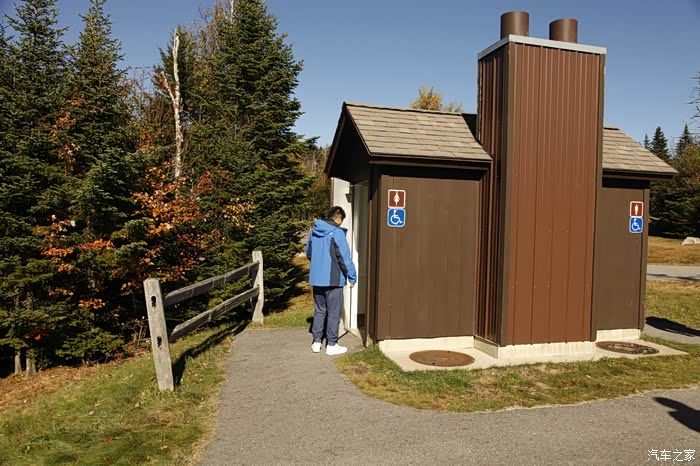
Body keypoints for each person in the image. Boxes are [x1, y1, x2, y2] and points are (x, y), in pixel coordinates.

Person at [305, 206, 357, 355]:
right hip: (333, 280)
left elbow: (308, 252)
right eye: (342, 221)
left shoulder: (314, 231)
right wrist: (352, 277)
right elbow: (344, 258)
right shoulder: (337, 233)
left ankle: (316, 342)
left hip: (316, 279)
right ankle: (332, 345)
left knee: (319, 310)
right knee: (334, 312)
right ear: (338, 218)